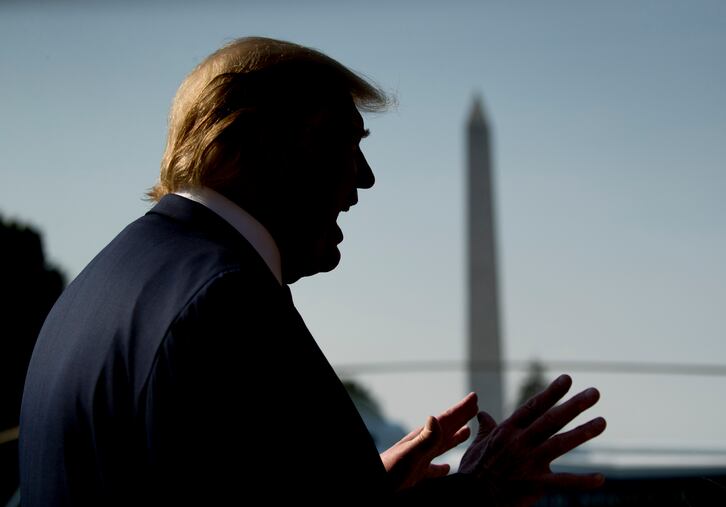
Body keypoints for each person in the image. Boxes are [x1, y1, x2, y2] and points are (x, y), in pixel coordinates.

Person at [19, 37, 606, 506]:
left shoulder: (100, 287)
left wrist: (356, 486)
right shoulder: (224, 303)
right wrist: (479, 491)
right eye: (341, 143)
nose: (365, 178)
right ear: (241, 147)